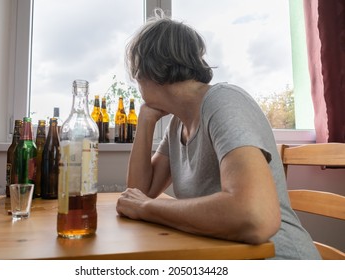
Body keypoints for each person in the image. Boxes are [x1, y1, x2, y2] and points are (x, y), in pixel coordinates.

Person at [116, 9, 321, 260]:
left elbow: (255, 218)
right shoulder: (176, 124)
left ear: (150, 69)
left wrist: (148, 208)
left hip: (278, 260)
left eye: (136, 71)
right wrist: (145, 121)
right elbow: (137, 194)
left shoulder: (223, 102)